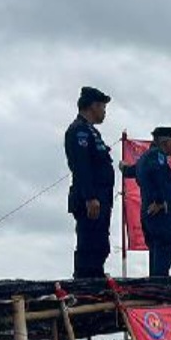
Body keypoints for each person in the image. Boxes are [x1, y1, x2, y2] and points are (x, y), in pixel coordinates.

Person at [65, 86, 115, 278]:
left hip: (101, 198)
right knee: (89, 244)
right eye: (103, 107)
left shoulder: (91, 131)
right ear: (93, 106)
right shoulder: (79, 132)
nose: (104, 112)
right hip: (91, 200)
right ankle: (85, 283)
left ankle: (95, 278)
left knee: (100, 244)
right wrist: (90, 197)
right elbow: (82, 167)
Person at [133, 126, 171, 277]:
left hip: (152, 214)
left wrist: (125, 168)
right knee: (163, 253)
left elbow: (133, 172)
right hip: (161, 213)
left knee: (157, 252)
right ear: (166, 142)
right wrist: (160, 200)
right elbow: (157, 175)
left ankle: (156, 284)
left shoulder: (146, 157)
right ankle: (160, 288)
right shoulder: (157, 156)